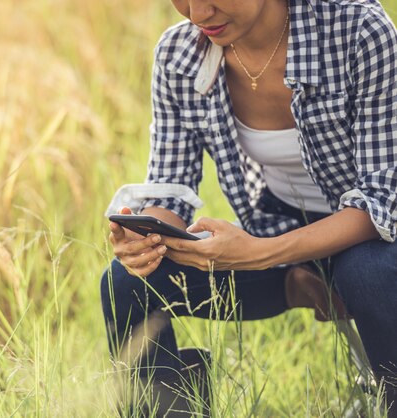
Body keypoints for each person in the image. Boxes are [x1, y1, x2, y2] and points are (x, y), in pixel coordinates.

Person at [100, 0, 397, 415]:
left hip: (374, 240)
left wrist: (260, 254)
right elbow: (170, 189)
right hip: (277, 229)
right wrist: (149, 236)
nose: (198, 14)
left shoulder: (357, 29)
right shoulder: (180, 53)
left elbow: (382, 199)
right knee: (128, 281)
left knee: (366, 273)